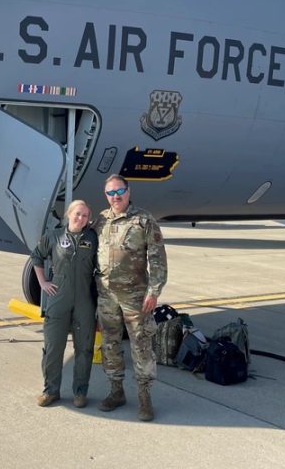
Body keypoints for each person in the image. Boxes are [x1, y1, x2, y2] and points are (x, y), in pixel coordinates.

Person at [94, 174, 168, 421]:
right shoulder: (101, 220)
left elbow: (157, 260)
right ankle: (116, 392)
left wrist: (153, 292)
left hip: (136, 296)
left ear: (128, 191)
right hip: (106, 296)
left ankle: (145, 398)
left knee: (141, 343)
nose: (116, 197)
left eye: (119, 191)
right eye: (110, 193)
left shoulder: (144, 220)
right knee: (110, 343)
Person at [29, 199, 98, 408]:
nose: (81, 218)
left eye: (85, 216)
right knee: (53, 347)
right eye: (77, 214)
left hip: (85, 299)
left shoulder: (93, 238)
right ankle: (51, 391)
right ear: (69, 214)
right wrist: (42, 282)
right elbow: (36, 257)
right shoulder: (54, 236)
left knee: (84, 349)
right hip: (59, 298)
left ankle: (80, 392)